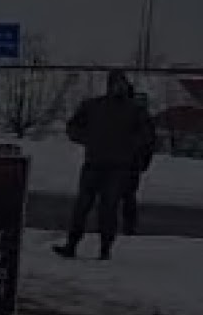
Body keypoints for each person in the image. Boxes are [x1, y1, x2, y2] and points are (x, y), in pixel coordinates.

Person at [52, 70, 155, 261]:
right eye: (115, 83)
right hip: (94, 164)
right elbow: (73, 127)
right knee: (82, 206)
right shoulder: (94, 106)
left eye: (121, 83)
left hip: (118, 168)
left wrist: (130, 146)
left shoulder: (134, 110)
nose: (118, 87)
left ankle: (105, 248)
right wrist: (88, 138)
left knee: (108, 208)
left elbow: (147, 135)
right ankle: (72, 244)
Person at [120, 92, 156, 235]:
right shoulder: (145, 119)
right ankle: (129, 226)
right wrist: (144, 162)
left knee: (116, 195)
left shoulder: (125, 116)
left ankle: (118, 225)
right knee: (129, 195)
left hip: (125, 161)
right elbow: (149, 144)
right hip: (133, 162)